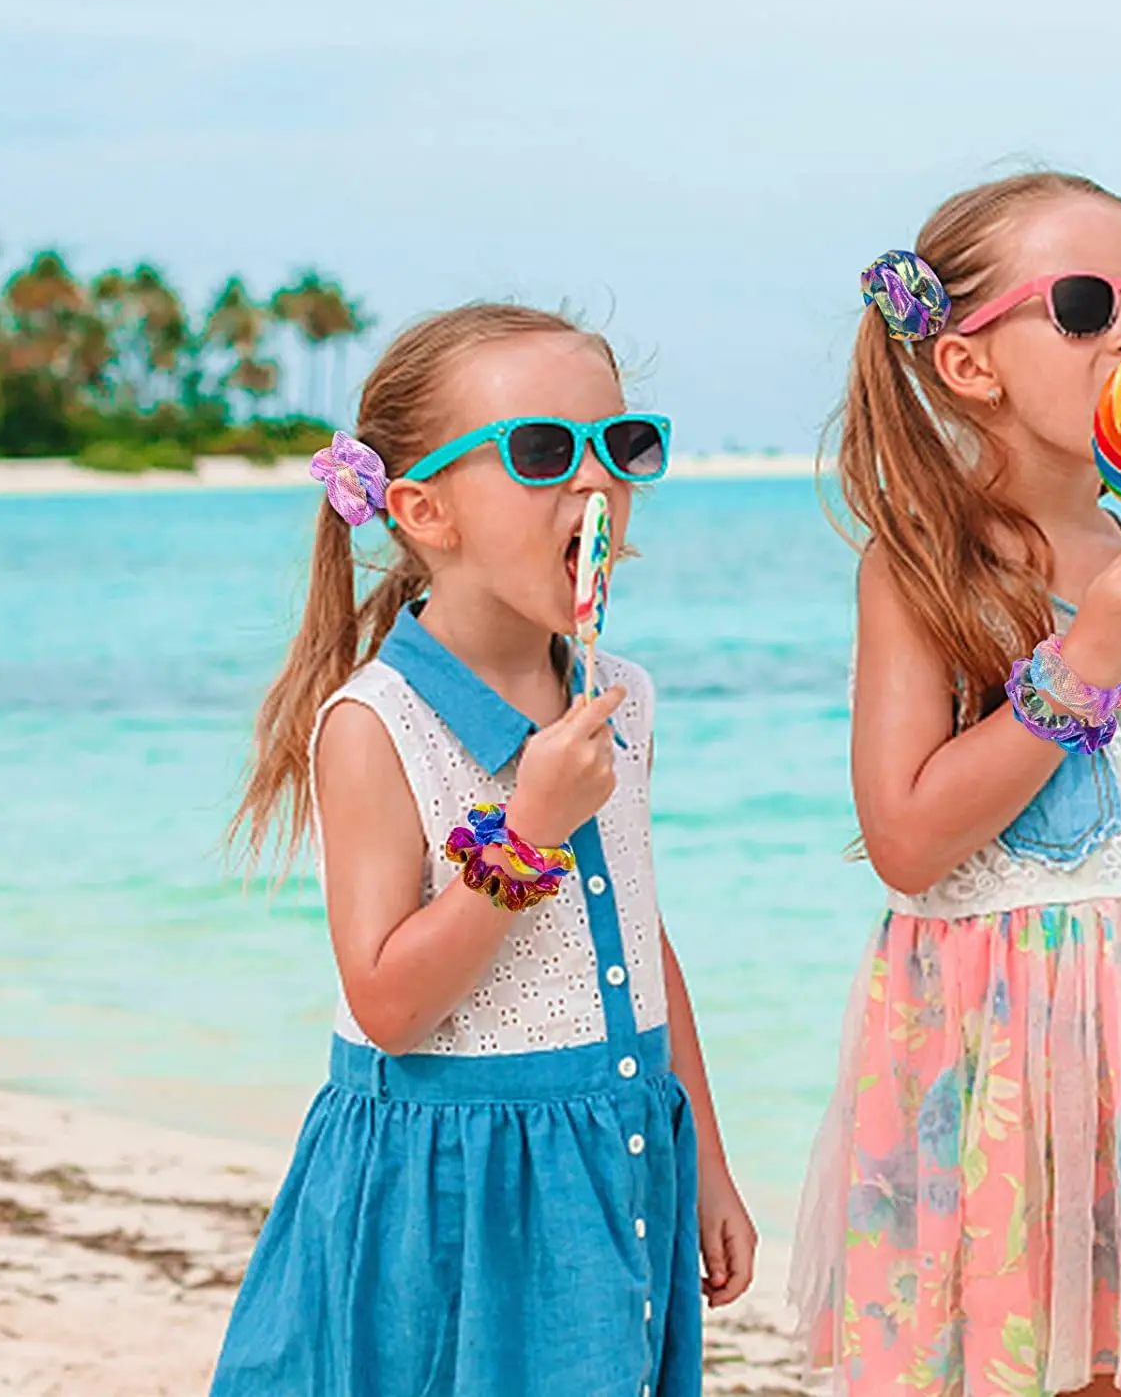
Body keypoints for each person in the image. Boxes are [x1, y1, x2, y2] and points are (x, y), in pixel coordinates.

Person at [789, 173, 1121, 1397]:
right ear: (971, 366)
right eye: (1082, 306)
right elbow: (906, 839)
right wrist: (1075, 669)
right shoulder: (924, 569)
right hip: (997, 1060)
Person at [212, 303, 755, 1397]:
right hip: (451, 1181)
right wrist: (526, 835)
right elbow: (388, 1004)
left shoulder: (620, 699)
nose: (596, 484)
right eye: (546, 453)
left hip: (614, 1153)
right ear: (423, 509)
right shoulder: (378, 724)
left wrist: (709, 1163)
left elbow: (640, 937)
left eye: (622, 445)